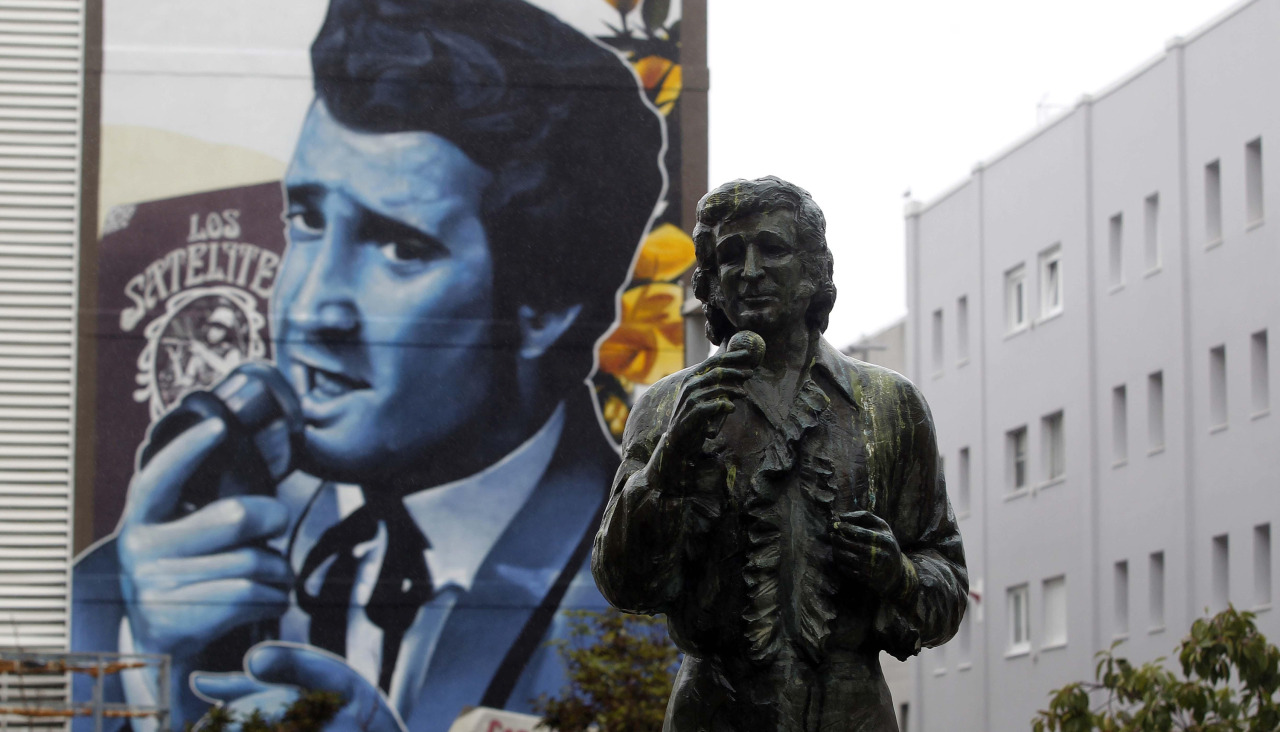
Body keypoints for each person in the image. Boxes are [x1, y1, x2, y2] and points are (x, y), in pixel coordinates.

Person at [70, 1, 665, 729]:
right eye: (307, 219)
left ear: (544, 305)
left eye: (399, 247)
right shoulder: (135, 584)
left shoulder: (655, 592)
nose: (311, 306)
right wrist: (157, 668)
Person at [593, 177, 968, 731]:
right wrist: (669, 465)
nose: (749, 271)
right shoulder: (666, 406)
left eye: (772, 248)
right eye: (729, 255)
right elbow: (621, 582)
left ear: (814, 269)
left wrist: (899, 575)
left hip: (849, 709)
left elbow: (949, 588)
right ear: (711, 283)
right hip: (715, 708)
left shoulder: (891, 406)